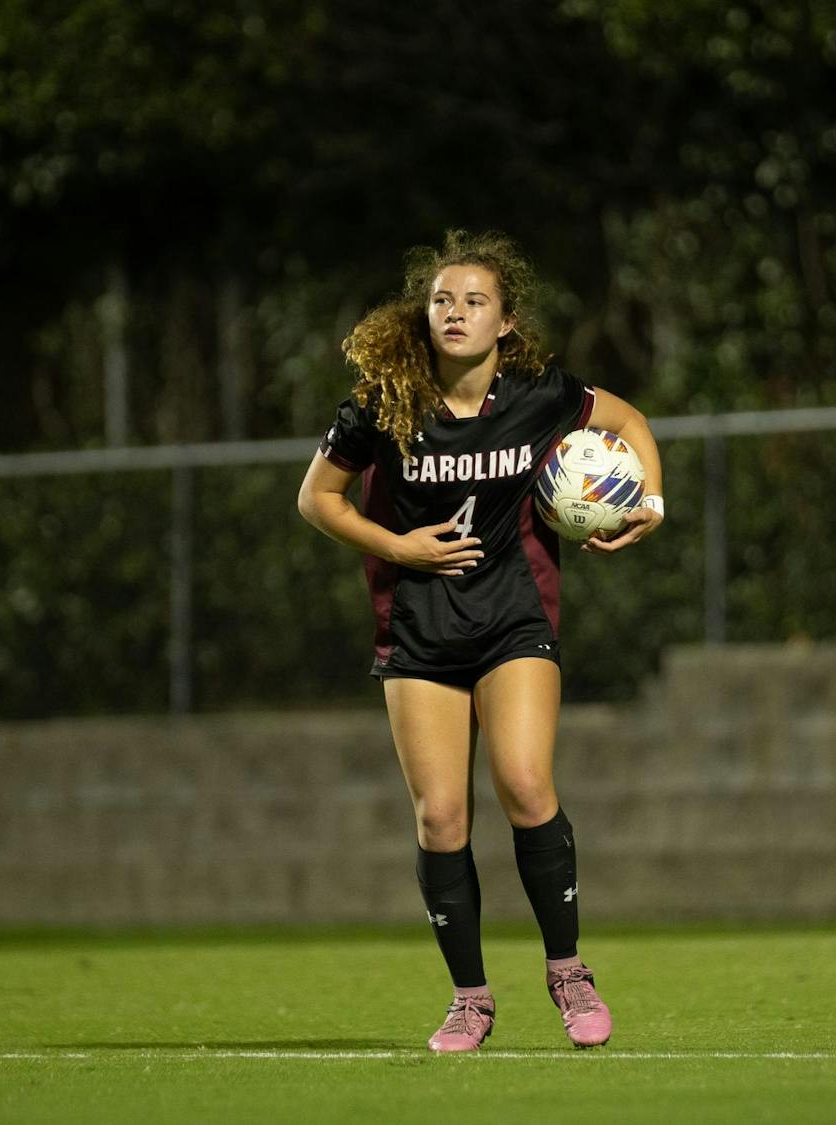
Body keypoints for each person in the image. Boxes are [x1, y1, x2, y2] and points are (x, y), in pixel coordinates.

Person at [296, 230, 663, 1053]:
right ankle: (470, 999)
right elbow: (317, 498)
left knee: (528, 787)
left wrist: (653, 503)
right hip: (419, 629)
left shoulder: (538, 393)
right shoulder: (383, 403)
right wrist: (399, 547)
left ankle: (568, 972)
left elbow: (630, 419)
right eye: (442, 300)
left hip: (513, 620)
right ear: (424, 316)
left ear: (506, 321)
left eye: (474, 301)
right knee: (441, 815)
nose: (455, 311)